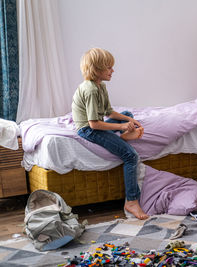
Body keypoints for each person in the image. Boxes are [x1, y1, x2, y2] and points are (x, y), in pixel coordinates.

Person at [71, 47, 148, 220]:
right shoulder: (90, 90)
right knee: (130, 156)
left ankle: (124, 136)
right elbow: (94, 124)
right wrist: (121, 127)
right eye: (109, 67)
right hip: (88, 130)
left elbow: (109, 112)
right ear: (97, 70)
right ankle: (132, 201)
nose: (113, 70)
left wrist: (130, 122)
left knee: (127, 115)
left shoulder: (100, 86)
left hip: (96, 124)